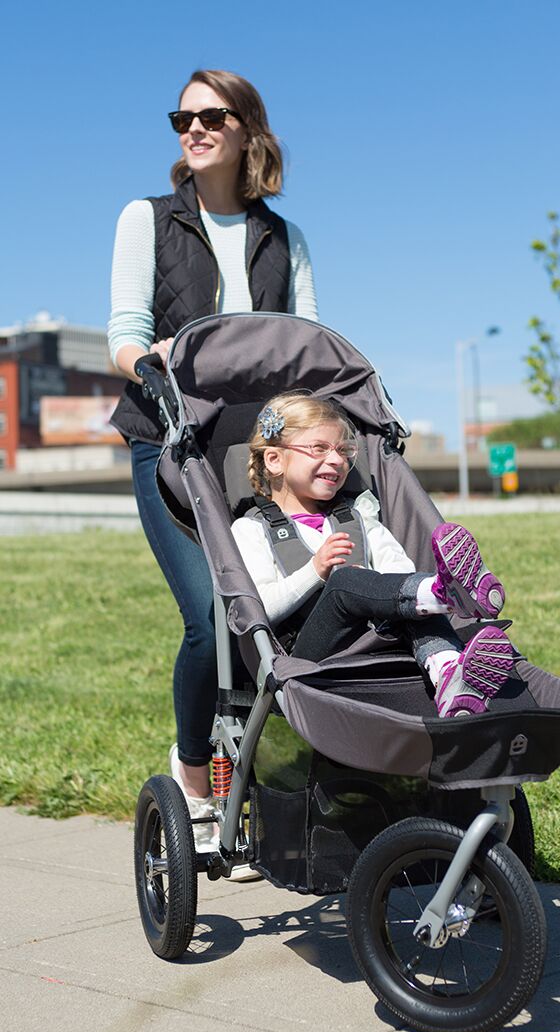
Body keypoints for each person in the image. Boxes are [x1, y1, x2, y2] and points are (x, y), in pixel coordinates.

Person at [107, 70, 318, 861]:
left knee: (292, 608)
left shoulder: (285, 239)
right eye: (182, 118)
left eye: (211, 116)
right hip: (166, 443)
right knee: (208, 620)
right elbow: (121, 334)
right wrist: (153, 359)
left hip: (256, 451)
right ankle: (194, 776)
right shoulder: (148, 219)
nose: (192, 129)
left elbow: (306, 348)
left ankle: (296, 774)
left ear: (247, 130)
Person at [232, 393, 514, 715]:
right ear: (274, 460)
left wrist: (398, 594)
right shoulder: (252, 529)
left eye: (343, 451)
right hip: (307, 657)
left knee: (407, 598)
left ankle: (450, 673)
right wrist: (315, 570)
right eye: (320, 448)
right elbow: (260, 610)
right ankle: (448, 596)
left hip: (377, 639)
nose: (337, 460)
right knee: (348, 581)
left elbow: (400, 575)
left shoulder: (359, 520)